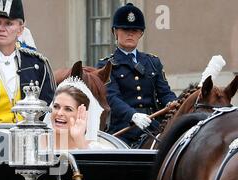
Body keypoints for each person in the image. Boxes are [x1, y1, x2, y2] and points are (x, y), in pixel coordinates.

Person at [96, 3, 177, 146]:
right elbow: (112, 98)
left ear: (141, 33)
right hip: (123, 129)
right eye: (125, 29)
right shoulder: (105, 65)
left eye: (135, 30)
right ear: (115, 32)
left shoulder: (153, 62)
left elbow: (164, 92)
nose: (130, 33)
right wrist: (132, 115)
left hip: (153, 125)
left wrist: (172, 102)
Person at [0, 0, 55, 123]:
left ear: (20, 29)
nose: (1, 28)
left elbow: (48, 106)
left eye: (8, 23)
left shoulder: (37, 64)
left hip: (28, 136)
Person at [50, 77, 113, 151]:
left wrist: (79, 140)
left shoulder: (97, 149)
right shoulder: (35, 143)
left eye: (68, 109)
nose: (59, 113)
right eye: (56, 106)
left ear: (82, 114)